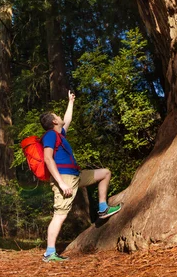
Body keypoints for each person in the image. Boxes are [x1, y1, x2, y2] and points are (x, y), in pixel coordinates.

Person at [40, 90, 121, 262]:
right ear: (54, 121)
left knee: (105, 173)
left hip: (76, 175)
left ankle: (102, 208)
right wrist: (61, 184)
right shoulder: (49, 135)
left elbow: (67, 120)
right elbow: (47, 159)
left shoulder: (60, 134)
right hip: (65, 178)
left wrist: (71, 101)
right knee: (60, 214)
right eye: (57, 115)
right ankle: (50, 253)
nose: (60, 116)